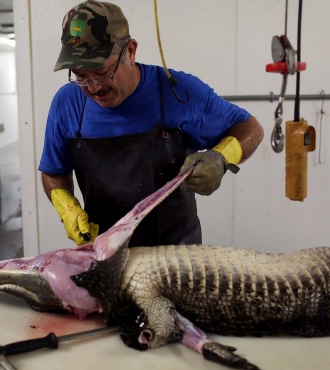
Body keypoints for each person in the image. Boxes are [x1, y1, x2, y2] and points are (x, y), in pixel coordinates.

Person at [39, 1, 264, 247]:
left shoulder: (179, 92)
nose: (93, 88)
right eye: (80, 76)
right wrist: (66, 207)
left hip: (176, 254)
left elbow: (251, 128)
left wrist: (220, 158)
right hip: (107, 253)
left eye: (102, 72)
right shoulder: (67, 103)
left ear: (131, 51)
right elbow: (53, 172)